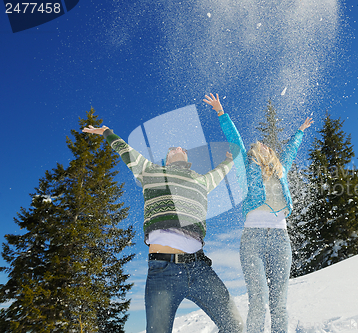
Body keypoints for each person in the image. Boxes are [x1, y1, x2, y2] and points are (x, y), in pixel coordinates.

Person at [82, 124, 243, 333]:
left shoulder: (201, 180)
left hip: (200, 268)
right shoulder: (151, 173)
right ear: (166, 160)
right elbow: (127, 152)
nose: (179, 148)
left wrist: (230, 160)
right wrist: (107, 133)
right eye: (173, 148)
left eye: (183, 149)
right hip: (163, 270)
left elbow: (220, 172)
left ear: (187, 158)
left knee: (235, 326)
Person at [203, 94, 313, 333]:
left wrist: (300, 131)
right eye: (259, 145)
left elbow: (291, 151)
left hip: (280, 239)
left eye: (266, 145)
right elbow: (234, 138)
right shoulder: (246, 166)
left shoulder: (280, 170)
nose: (264, 144)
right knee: (258, 301)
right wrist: (221, 112)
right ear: (254, 152)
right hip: (252, 238)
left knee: (279, 304)